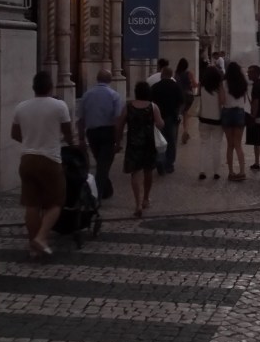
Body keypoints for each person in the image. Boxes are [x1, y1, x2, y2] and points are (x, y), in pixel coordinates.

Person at [11, 71, 73, 257]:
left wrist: (31, 141)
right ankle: (41, 237)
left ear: (33, 88)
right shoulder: (59, 106)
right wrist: (70, 142)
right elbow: (68, 132)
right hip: (50, 158)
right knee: (55, 202)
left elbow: (14, 134)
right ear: (50, 87)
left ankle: (33, 246)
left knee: (32, 204)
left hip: (27, 158)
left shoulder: (21, 107)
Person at [116, 81, 164, 217]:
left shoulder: (128, 107)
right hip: (149, 143)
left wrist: (118, 142)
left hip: (133, 143)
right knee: (148, 171)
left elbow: (119, 125)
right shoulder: (153, 107)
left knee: (135, 173)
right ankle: (146, 199)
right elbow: (160, 124)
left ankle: (137, 204)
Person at [76, 69, 121, 199]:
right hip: (108, 132)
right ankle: (96, 195)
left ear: (97, 79)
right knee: (103, 165)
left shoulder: (87, 95)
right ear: (110, 80)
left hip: (92, 133)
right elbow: (117, 119)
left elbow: (81, 119)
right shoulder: (114, 95)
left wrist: (81, 138)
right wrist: (118, 141)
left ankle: (106, 190)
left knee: (102, 163)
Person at [150, 66, 184, 173]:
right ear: (171, 75)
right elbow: (181, 101)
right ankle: (169, 164)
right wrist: (179, 113)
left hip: (158, 117)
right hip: (171, 117)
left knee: (159, 140)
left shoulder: (155, 87)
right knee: (171, 141)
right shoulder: (176, 86)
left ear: (161, 74)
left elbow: (150, 102)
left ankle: (160, 160)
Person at [221, 61, 249, 181]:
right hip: (239, 112)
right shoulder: (243, 83)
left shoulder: (224, 83)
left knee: (230, 145)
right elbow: (245, 100)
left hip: (227, 112)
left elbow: (222, 100)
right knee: (238, 144)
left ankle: (231, 172)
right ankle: (242, 171)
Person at [198, 64, 225, 180]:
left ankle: (202, 170)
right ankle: (216, 172)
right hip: (217, 120)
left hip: (204, 119)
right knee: (216, 147)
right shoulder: (219, 87)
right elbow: (223, 101)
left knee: (204, 145)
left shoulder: (202, 86)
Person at [175, 58, 198, 144]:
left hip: (179, 96)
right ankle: (185, 131)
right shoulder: (189, 73)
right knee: (186, 115)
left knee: (180, 114)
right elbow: (195, 85)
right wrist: (192, 84)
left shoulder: (176, 74)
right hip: (188, 96)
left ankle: (180, 131)